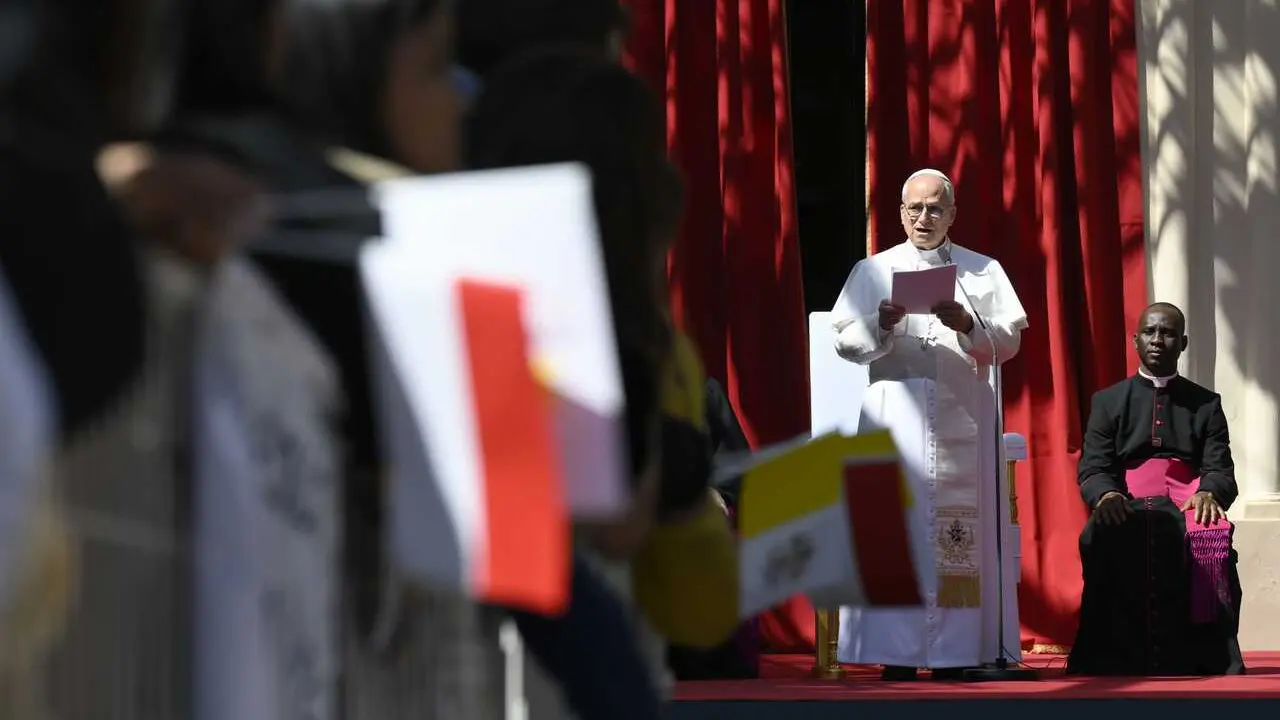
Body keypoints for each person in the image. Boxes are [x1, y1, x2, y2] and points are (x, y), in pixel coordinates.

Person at [830, 168, 1028, 680]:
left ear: (952, 214)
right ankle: (896, 651)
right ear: (900, 213)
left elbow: (1008, 343)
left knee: (955, 530)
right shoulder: (873, 269)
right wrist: (882, 324)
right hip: (894, 414)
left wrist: (967, 324)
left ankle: (957, 651)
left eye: (935, 208)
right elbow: (845, 342)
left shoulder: (983, 270)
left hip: (962, 408)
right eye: (915, 208)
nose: (924, 217)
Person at [1068, 302, 1245, 676]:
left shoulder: (1207, 404)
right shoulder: (1108, 401)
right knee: (1100, 533)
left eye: (1167, 334)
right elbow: (1094, 466)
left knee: (1209, 533)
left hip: (1188, 501)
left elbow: (1220, 468)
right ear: (1135, 340)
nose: (1157, 340)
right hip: (1125, 498)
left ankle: (1209, 657)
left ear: (1182, 343)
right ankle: (1108, 657)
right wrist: (1106, 495)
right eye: (1150, 332)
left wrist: (1209, 492)